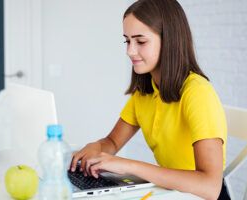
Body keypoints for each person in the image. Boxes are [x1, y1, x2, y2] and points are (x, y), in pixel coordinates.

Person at [70, 0, 230, 199]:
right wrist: (97, 146)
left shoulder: (197, 93)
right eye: (127, 41)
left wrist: (129, 165)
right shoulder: (145, 92)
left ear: (169, 40)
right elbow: (112, 141)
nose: (130, 51)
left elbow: (210, 187)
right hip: (173, 194)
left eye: (141, 41)